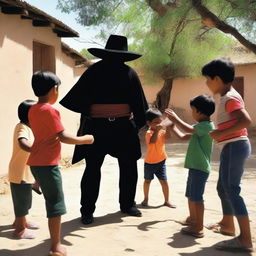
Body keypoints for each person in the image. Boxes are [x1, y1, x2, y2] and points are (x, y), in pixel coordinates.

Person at [60, 34, 148, 225]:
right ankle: (87, 210)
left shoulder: (129, 73)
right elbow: (79, 99)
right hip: (98, 127)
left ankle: (127, 204)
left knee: (128, 166)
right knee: (93, 168)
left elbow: (138, 104)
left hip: (121, 126)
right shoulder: (95, 71)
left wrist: (137, 124)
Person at [28, 71, 94, 256]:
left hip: (35, 162)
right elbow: (63, 136)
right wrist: (86, 139)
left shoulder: (32, 109)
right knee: (56, 204)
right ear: (54, 89)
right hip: (48, 165)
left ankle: (37, 183)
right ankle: (55, 246)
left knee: (50, 196)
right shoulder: (50, 110)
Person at [202, 58, 253, 252]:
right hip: (230, 147)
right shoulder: (227, 96)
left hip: (235, 146)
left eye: (207, 79)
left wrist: (221, 134)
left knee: (231, 190)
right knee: (223, 188)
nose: (206, 83)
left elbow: (245, 121)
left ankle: (245, 240)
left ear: (217, 78)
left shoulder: (230, 98)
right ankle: (227, 224)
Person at [165, 94, 215, 238]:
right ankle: (193, 219)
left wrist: (176, 119)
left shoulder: (207, 126)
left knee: (197, 197)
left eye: (192, 110)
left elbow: (187, 130)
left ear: (199, 111)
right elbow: (183, 136)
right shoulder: (199, 127)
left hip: (200, 168)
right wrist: (173, 126)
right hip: (194, 167)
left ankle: (199, 227)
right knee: (191, 195)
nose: (192, 113)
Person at [8, 99, 40, 239]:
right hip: (19, 172)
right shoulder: (22, 127)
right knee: (21, 201)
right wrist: (35, 150)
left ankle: (21, 221)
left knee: (25, 200)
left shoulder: (30, 127)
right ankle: (19, 230)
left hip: (25, 173)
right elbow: (23, 143)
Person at [141, 108, 176, 208]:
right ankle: (146, 199)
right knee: (147, 181)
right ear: (149, 123)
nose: (159, 124)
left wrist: (168, 127)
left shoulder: (161, 131)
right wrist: (157, 130)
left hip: (161, 161)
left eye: (160, 122)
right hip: (150, 163)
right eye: (156, 122)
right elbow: (152, 141)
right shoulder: (149, 133)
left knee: (164, 181)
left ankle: (167, 200)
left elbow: (168, 137)